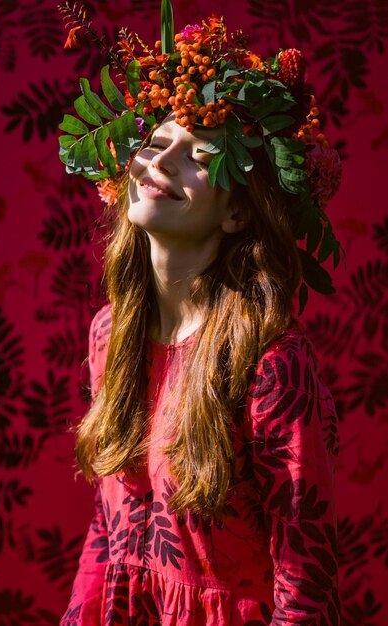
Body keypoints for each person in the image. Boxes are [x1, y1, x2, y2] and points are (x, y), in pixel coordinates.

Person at [58, 4, 341, 624]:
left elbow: (305, 568)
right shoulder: (110, 333)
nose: (159, 161)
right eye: (157, 142)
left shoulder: (270, 360)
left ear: (238, 213)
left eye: (197, 154)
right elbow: (109, 529)